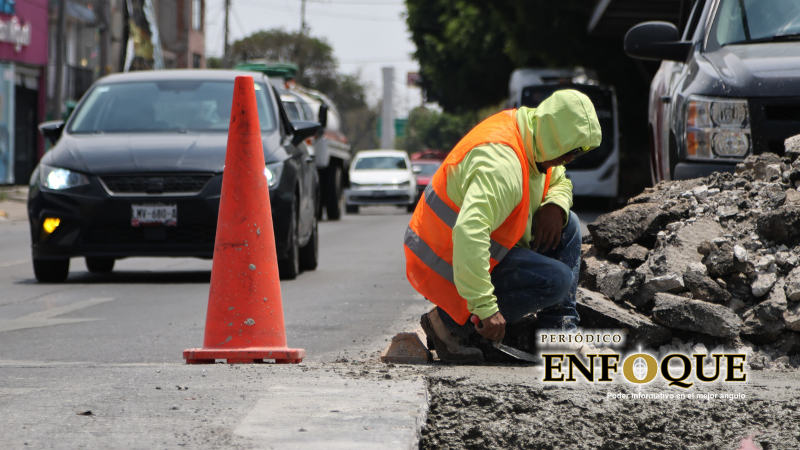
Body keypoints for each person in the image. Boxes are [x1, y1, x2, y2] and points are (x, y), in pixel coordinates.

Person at [404, 89, 601, 364]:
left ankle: (560, 337)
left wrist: (555, 205)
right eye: (569, 152)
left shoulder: (536, 136)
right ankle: (447, 323)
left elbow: (559, 180)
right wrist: (484, 307)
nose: (570, 159)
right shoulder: (502, 164)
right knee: (556, 281)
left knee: (570, 224)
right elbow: (469, 232)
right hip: (445, 259)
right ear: (555, 138)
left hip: (478, 249)